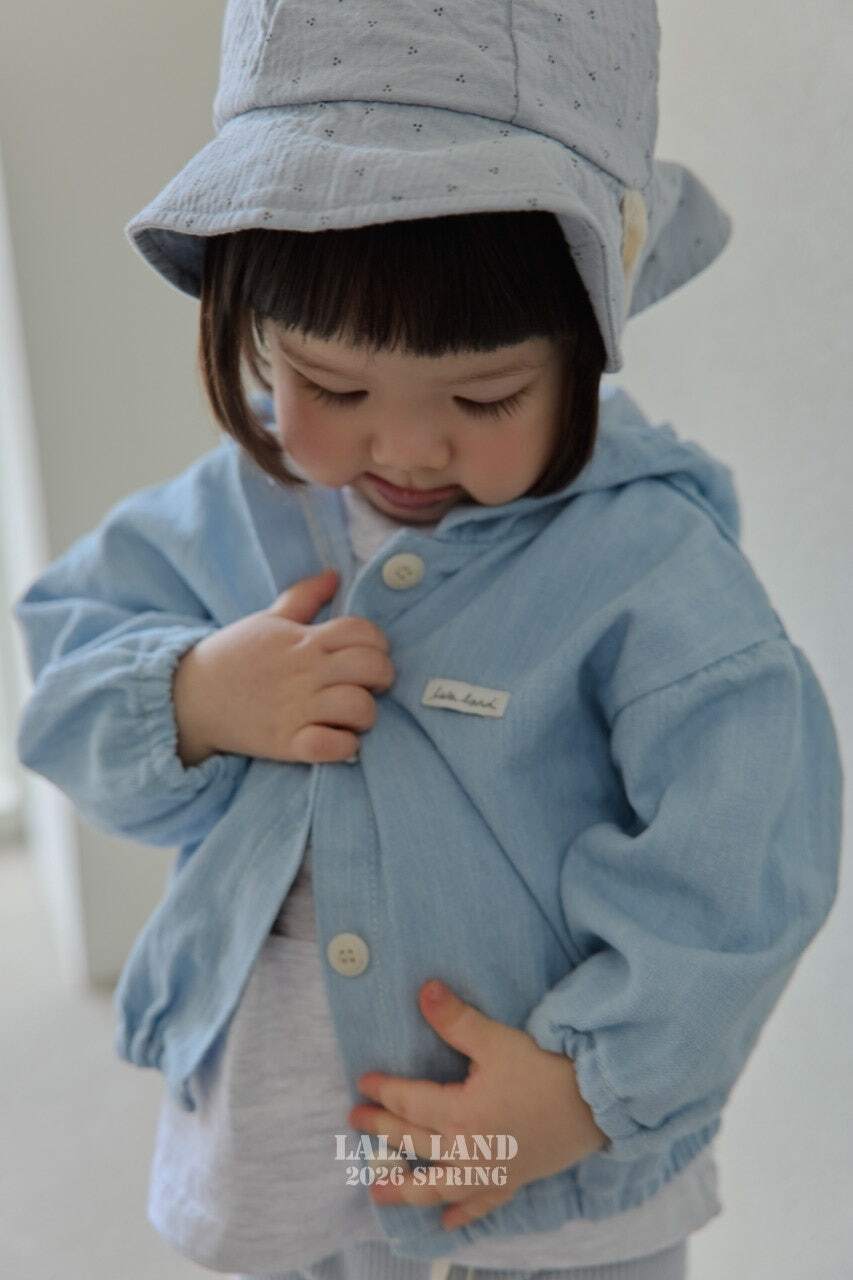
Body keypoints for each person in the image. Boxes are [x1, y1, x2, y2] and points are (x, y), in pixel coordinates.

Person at [11, 3, 844, 1280]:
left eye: (486, 395)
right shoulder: (233, 509)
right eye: (332, 386)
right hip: (293, 1136)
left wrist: (582, 1090)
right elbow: (60, 686)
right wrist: (194, 696)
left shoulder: (647, 565)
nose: (404, 447)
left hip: (541, 1166)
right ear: (249, 325)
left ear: (586, 345)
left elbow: (746, 859)